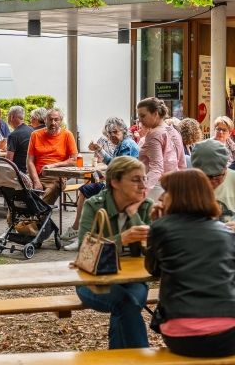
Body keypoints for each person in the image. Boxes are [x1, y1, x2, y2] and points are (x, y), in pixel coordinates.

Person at [145, 169, 235, 358]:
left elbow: (153, 269)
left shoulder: (161, 228)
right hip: (229, 335)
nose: (162, 197)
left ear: (178, 196)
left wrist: (157, 224)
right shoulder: (225, 233)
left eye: (166, 191)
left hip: (183, 336)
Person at [75, 156, 152, 349]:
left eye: (144, 178)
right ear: (115, 182)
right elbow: (85, 253)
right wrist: (122, 239)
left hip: (133, 281)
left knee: (127, 305)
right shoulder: (94, 205)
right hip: (94, 280)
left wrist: (133, 216)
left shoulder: (146, 206)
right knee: (127, 304)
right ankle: (143, 361)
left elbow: (155, 251)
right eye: (136, 179)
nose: (143, 185)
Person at [63, 117, 139, 251]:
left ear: (123, 131)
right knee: (85, 190)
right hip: (118, 185)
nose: (112, 136)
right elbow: (113, 163)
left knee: (90, 202)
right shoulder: (123, 144)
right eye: (109, 133)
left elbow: (121, 170)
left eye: (115, 132)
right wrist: (99, 149)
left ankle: (82, 236)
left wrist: (105, 175)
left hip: (121, 189)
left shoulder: (127, 145)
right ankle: (78, 231)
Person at [137, 97, 186, 200]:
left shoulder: (154, 134)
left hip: (155, 188)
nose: (140, 120)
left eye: (143, 116)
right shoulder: (174, 131)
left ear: (155, 114)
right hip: (174, 186)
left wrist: (141, 191)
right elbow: (181, 164)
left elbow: (156, 168)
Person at [27, 108, 77, 205]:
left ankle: (39, 215)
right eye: (50, 119)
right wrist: (36, 180)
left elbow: (74, 160)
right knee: (19, 188)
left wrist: (52, 166)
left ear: (61, 121)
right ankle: (16, 218)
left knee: (51, 190)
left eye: (56, 119)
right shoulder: (35, 135)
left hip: (56, 176)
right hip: (36, 175)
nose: (53, 123)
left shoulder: (67, 135)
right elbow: (29, 161)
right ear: (45, 120)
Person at [191, 139, 235, 223]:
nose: (212, 182)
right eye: (206, 177)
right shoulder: (187, 183)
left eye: (217, 177)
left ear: (225, 168)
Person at [6, 105, 33, 174]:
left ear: (12, 117)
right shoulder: (32, 131)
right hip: (32, 172)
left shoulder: (13, 135)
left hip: (19, 174)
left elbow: (9, 161)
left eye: (8, 116)